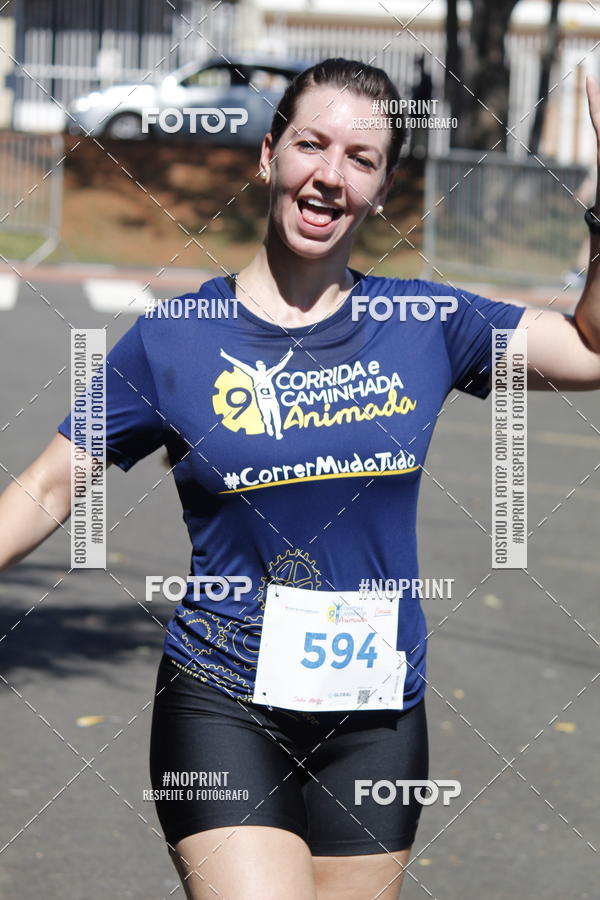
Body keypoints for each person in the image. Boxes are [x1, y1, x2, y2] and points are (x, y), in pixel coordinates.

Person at [2, 58, 600, 900]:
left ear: (384, 185)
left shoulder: (425, 323)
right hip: (222, 700)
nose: (329, 175)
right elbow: (47, 487)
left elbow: (589, 347)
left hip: (378, 715)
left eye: (360, 157)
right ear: (268, 157)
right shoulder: (175, 339)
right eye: (310, 144)